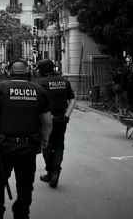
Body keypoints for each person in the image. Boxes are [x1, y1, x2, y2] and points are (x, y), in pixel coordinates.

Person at [0, 59, 52, 219]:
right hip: (28, 147)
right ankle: (21, 214)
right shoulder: (39, 91)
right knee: (25, 185)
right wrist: (45, 140)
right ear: (28, 73)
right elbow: (48, 121)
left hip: (2, 146)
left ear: (9, 72)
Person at [36, 59, 76, 188]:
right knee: (59, 145)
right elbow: (72, 100)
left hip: (47, 119)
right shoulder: (65, 81)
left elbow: (39, 104)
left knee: (46, 144)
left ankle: (50, 173)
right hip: (62, 119)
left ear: (43, 70)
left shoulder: (42, 83)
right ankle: (55, 172)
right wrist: (66, 116)